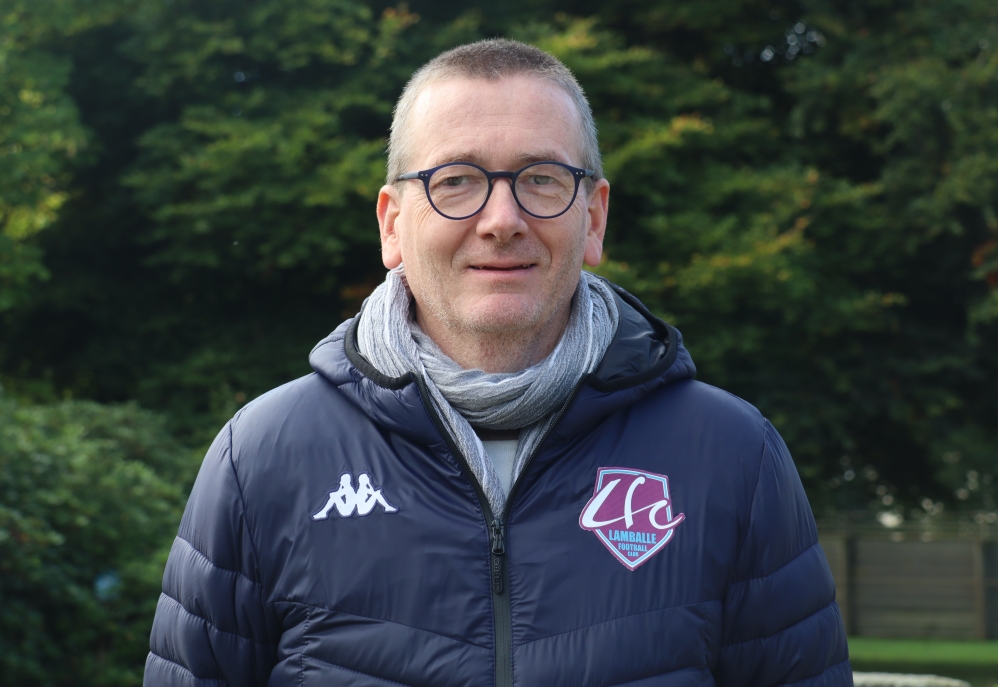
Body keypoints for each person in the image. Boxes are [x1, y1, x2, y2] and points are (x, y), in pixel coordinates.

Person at [144, 39, 851, 687]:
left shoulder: (734, 456)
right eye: (456, 180)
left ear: (593, 217)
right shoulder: (262, 456)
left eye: (541, 178)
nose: (502, 219)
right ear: (393, 224)